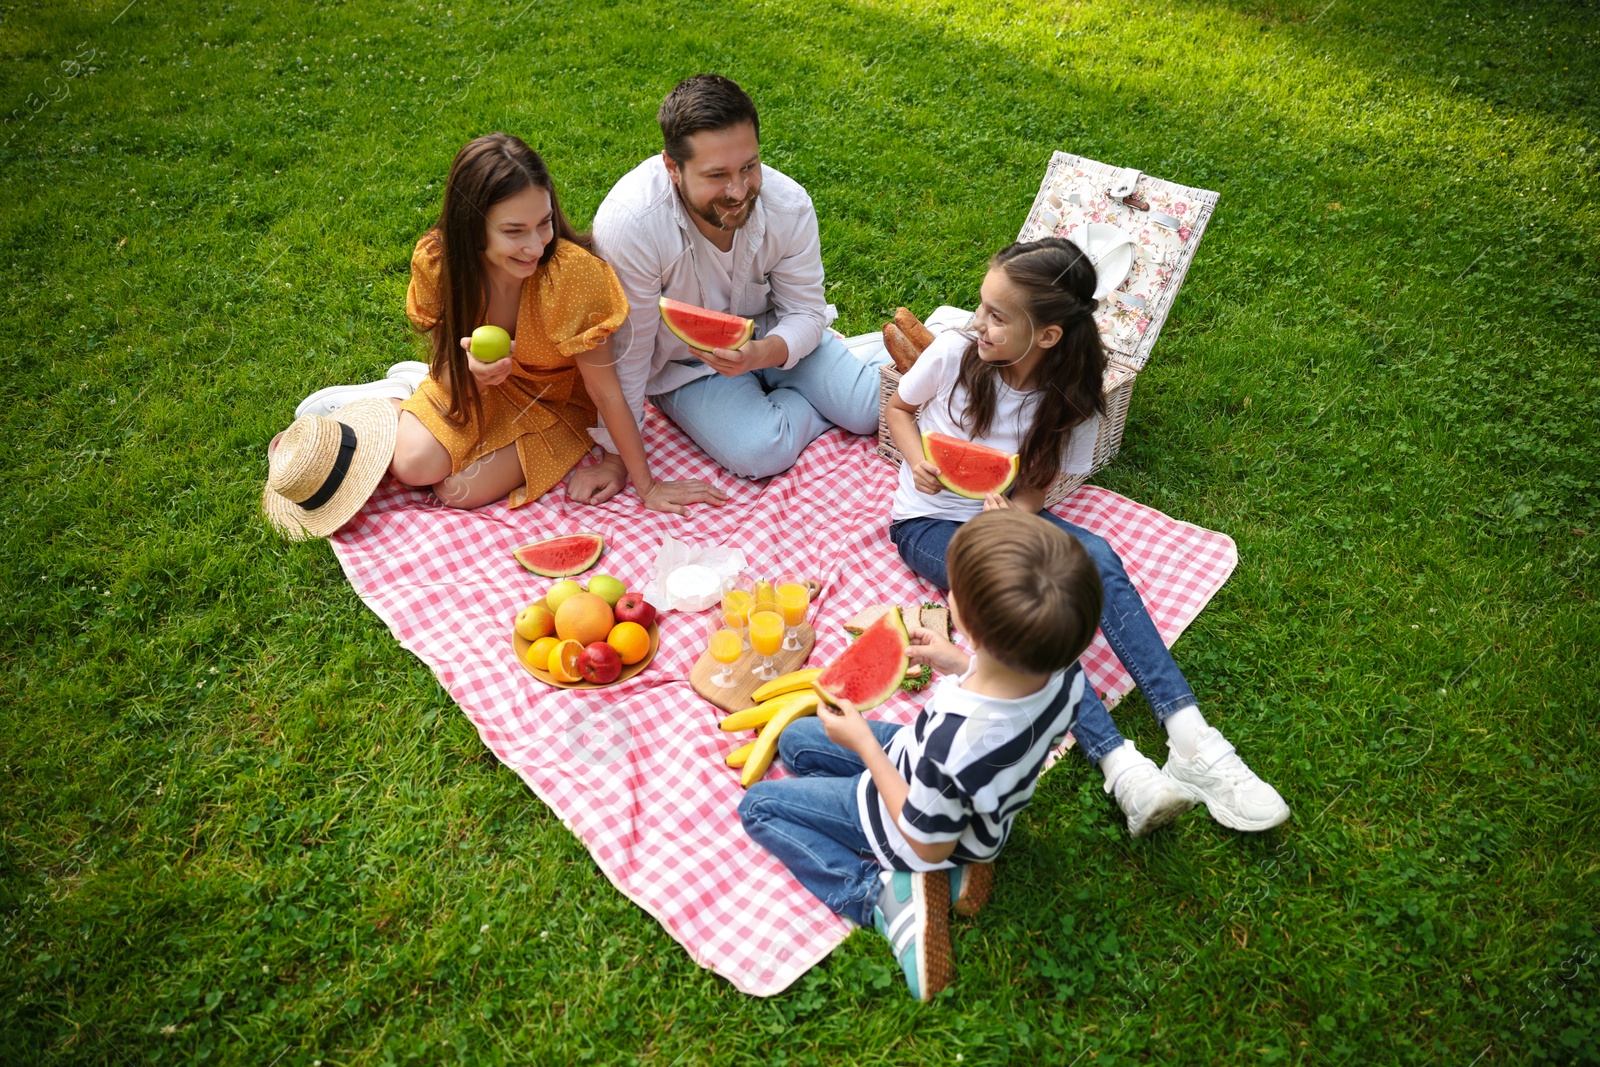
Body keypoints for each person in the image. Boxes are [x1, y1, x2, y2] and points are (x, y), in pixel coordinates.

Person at [883, 237, 1290, 837]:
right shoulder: (950, 353)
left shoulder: (1072, 395)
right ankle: (1121, 765)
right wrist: (919, 458)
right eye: (981, 306)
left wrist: (1015, 521)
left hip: (1005, 515)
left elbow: (1036, 487)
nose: (979, 324)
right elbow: (898, 407)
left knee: (1095, 554)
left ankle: (1191, 738)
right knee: (1020, 602)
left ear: (1047, 335)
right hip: (927, 522)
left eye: (998, 316)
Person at [740, 509, 1103, 999]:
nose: (948, 595)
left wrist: (867, 746)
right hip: (976, 814)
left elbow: (923, 834)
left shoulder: (959, 741)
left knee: (759, 808)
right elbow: (1008, 707)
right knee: (796, 741)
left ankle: (882, 896)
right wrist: (960, 662)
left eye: (955, 593)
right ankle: (967, 863)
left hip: (908, 820)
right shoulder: (1065, 676)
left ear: (974, 629)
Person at [297, 133, 727, 515]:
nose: (534, 246)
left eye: (544, 223)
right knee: (414, 466)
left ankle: (406, 400)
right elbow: (445, 359)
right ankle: (391, 403)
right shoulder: (439, 263)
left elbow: (604, 390)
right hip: (472, 385)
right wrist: (472, 376)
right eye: (513, 231)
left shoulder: (570, 277)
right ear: (472, 227)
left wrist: (646, 485)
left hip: (557, 402)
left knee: (455, 490)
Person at [581, 74, 886, 492]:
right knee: (764, 451)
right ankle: (819, 394)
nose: (739, 191)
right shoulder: (631, 225)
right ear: (673, 167)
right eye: (717, 175)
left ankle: (838, 379)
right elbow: (629, 355)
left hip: (773, 337)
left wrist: (761, 353)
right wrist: (619, 458)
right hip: (684, 366)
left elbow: (804, 311)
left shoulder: (789, 206)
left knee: (870, 410)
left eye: (749, 167)